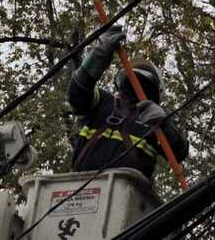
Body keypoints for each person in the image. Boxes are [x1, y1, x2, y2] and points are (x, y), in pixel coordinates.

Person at [66, 27, 189, 181]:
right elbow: (76, 94)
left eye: (142, 83)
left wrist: (163, 125)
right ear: (120, 82)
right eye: (130, 81)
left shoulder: (153, 119)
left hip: (127, 195)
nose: (134, 86)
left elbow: (180, 153)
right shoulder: (102, 102)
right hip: (80, 190)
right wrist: (99, 54)